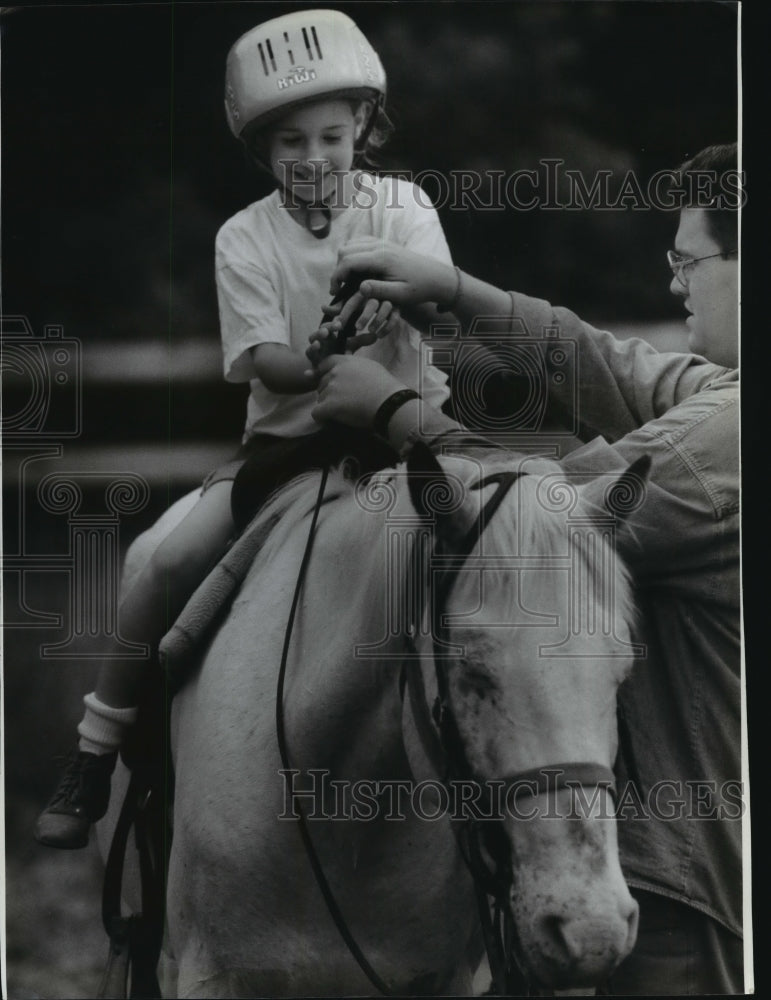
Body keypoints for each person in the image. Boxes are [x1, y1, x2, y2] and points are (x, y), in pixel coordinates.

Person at [308, 144, 743, 994]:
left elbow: (537, 522)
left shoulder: (726, 440)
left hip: (679, 891)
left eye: (686, 260)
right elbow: (620, 371)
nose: (672, 285)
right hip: (668, 868)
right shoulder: (726, 399)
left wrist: (394, 413)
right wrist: (459, 295)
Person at [34, 8, 451, 850]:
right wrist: (327, 346)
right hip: (292, 447)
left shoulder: (404, 207)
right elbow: (266, 361)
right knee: (161, 557)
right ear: (261, 150)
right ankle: (95, 751)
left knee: (523, 539)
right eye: (289, 142)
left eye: (331, 136)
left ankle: (562, 783)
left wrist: (401, 301)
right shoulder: (243, 238)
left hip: (409, 431)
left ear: (363, 124)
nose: (312, 159)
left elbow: (441, 302)